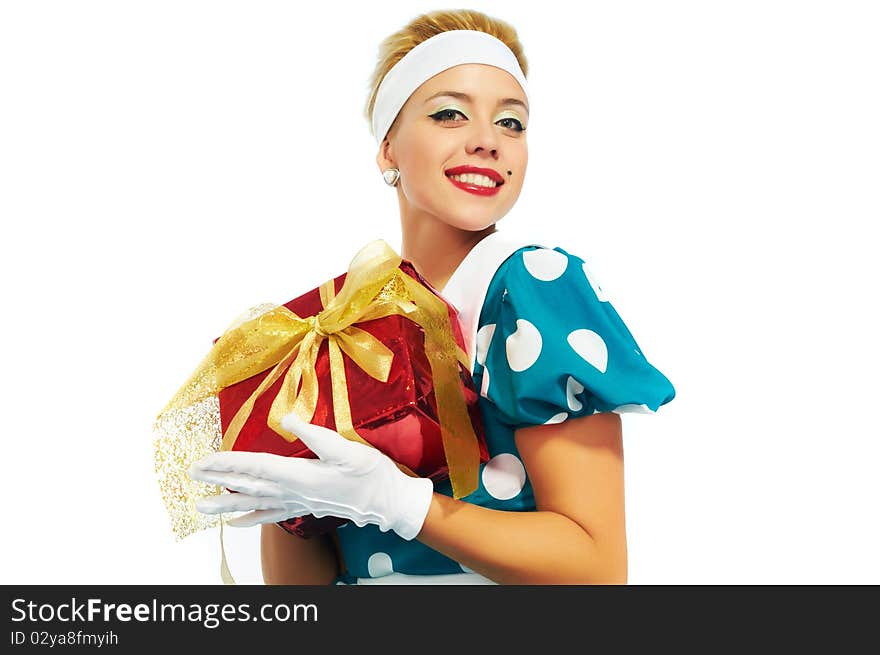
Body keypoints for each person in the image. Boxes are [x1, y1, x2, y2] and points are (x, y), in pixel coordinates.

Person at [188, 8, 675, 585]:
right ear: (388, 147)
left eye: (512, 123)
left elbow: (596, 571)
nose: (487, 142)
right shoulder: (340, 326)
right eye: (450, 114)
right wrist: (292, 498)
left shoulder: (531, 286)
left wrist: (401, 504)